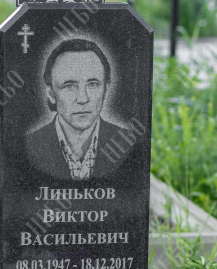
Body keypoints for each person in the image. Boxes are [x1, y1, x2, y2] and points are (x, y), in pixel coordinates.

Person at [26, 38, 139, 180]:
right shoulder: (27, 146)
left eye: (93, 84)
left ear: (106, 89)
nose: (82, 99)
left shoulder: (128, 143)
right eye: (69, 86)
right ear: (51, 93)